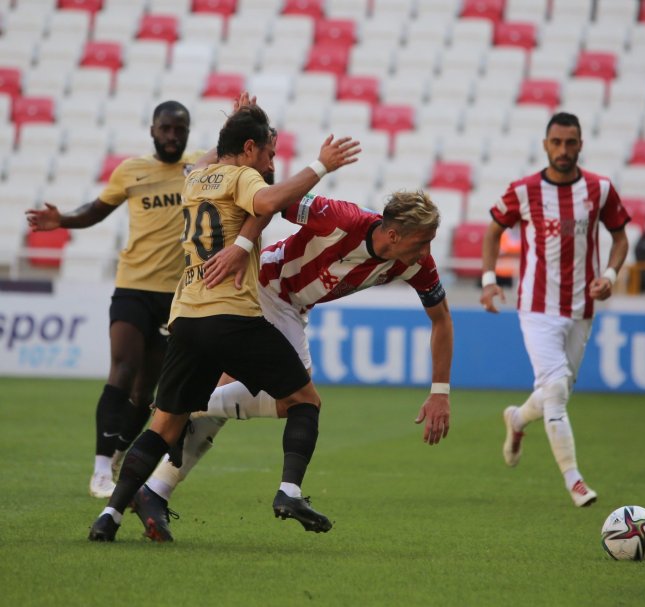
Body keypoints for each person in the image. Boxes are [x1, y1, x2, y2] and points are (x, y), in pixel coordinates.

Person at [88, 99, 361, 541]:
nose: (271, 163)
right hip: (231, 315)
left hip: (186, 317)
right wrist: (321, 165)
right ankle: (289, 490)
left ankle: (110, 516)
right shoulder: (243, 177)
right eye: (268, 154)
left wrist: (239, 122)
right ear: (249, 149)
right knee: (305, 400)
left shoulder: (194, 177)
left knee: (164, 424)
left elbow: (225, 159)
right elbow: (268, 200)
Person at [130, 189, 454, 541]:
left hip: (293, 308)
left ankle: (156, 488)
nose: (427, 251)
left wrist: (440, 392)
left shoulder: (417, 263)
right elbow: (268, 201)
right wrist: (239, 247)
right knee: (298, 400)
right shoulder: (341, 218)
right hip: (264, 286)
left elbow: (441, 319)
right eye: (423, 241)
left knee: (228, 405)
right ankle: (187, 406)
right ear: (394, 235)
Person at [26, 101, 202, 499]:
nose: (173, 136)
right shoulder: (131, 171)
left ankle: (121, 451)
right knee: (122, 370)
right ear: (153, 130)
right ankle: (101, 468)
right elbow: (97, 210)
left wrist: (238, 117)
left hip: (175, 297)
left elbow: (229, 154)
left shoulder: (197, 169)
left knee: (145, 394)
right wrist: (63, 221)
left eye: (180, 129)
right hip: (133, 286)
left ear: (188, 132)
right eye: (166, 128)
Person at [479, 112, 630, 507]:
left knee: (552, 392)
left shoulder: (600, 189)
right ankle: (575, 480)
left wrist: (611, 275)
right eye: (557, 142)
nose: (564, 150)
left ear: (581, 144)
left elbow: (620, 238)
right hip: (537, 308)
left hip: (582, 307)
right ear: (546, 145)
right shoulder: (525, 190)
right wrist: (488, 279)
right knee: (558, 390)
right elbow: (493, 229)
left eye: (571, 142)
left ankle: (515, 419)